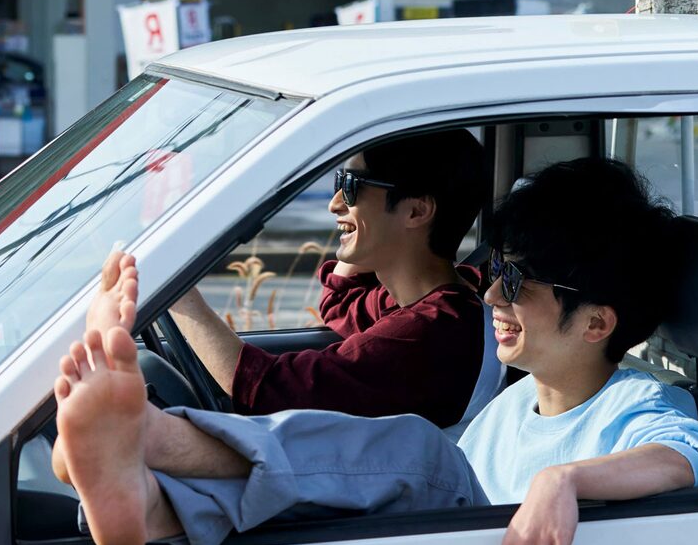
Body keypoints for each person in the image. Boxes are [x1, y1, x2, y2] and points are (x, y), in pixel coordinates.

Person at [51, 157, 698, 545]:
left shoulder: (634, 405)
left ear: (596, 324)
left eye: (515, 283)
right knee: (353, 482)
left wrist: (564, 481)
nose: (492, 296)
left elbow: (690, 456)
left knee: (417, 450)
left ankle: (149, 440)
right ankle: (152, 499)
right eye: (494, 271)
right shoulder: (514, 403)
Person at [168, 129, 488, 426]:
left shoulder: (426, 332)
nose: (334, 203)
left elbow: (267, 389)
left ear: (416, 211)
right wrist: (357, 235)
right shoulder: (424, 302)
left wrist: (177, 294)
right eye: (339, 181)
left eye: (352, 186)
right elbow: (340, 304)